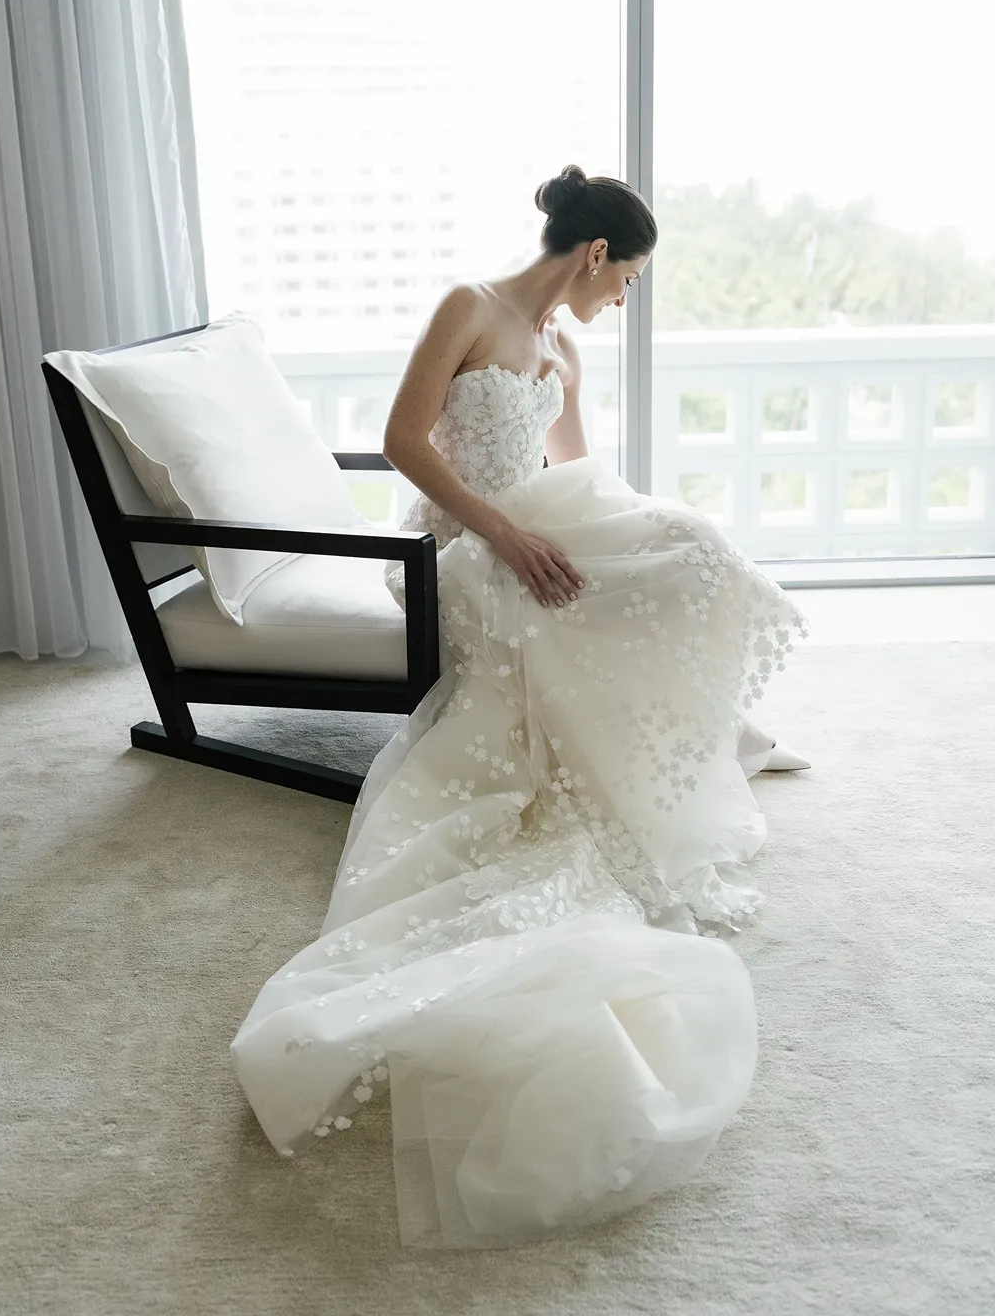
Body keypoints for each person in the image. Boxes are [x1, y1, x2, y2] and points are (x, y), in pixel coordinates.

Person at [231, 164, 811, 1251]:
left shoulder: (564, 345)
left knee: (687, 551)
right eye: (625, 280)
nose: (620, 301)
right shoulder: (469, 308)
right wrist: (502, 535)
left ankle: (698, 721)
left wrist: (619, 541)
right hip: (455, 549)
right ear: (594, 254)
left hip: (532, 527)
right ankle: (687, 720)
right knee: (573, 591)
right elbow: (406, 443)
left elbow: (579, 469)